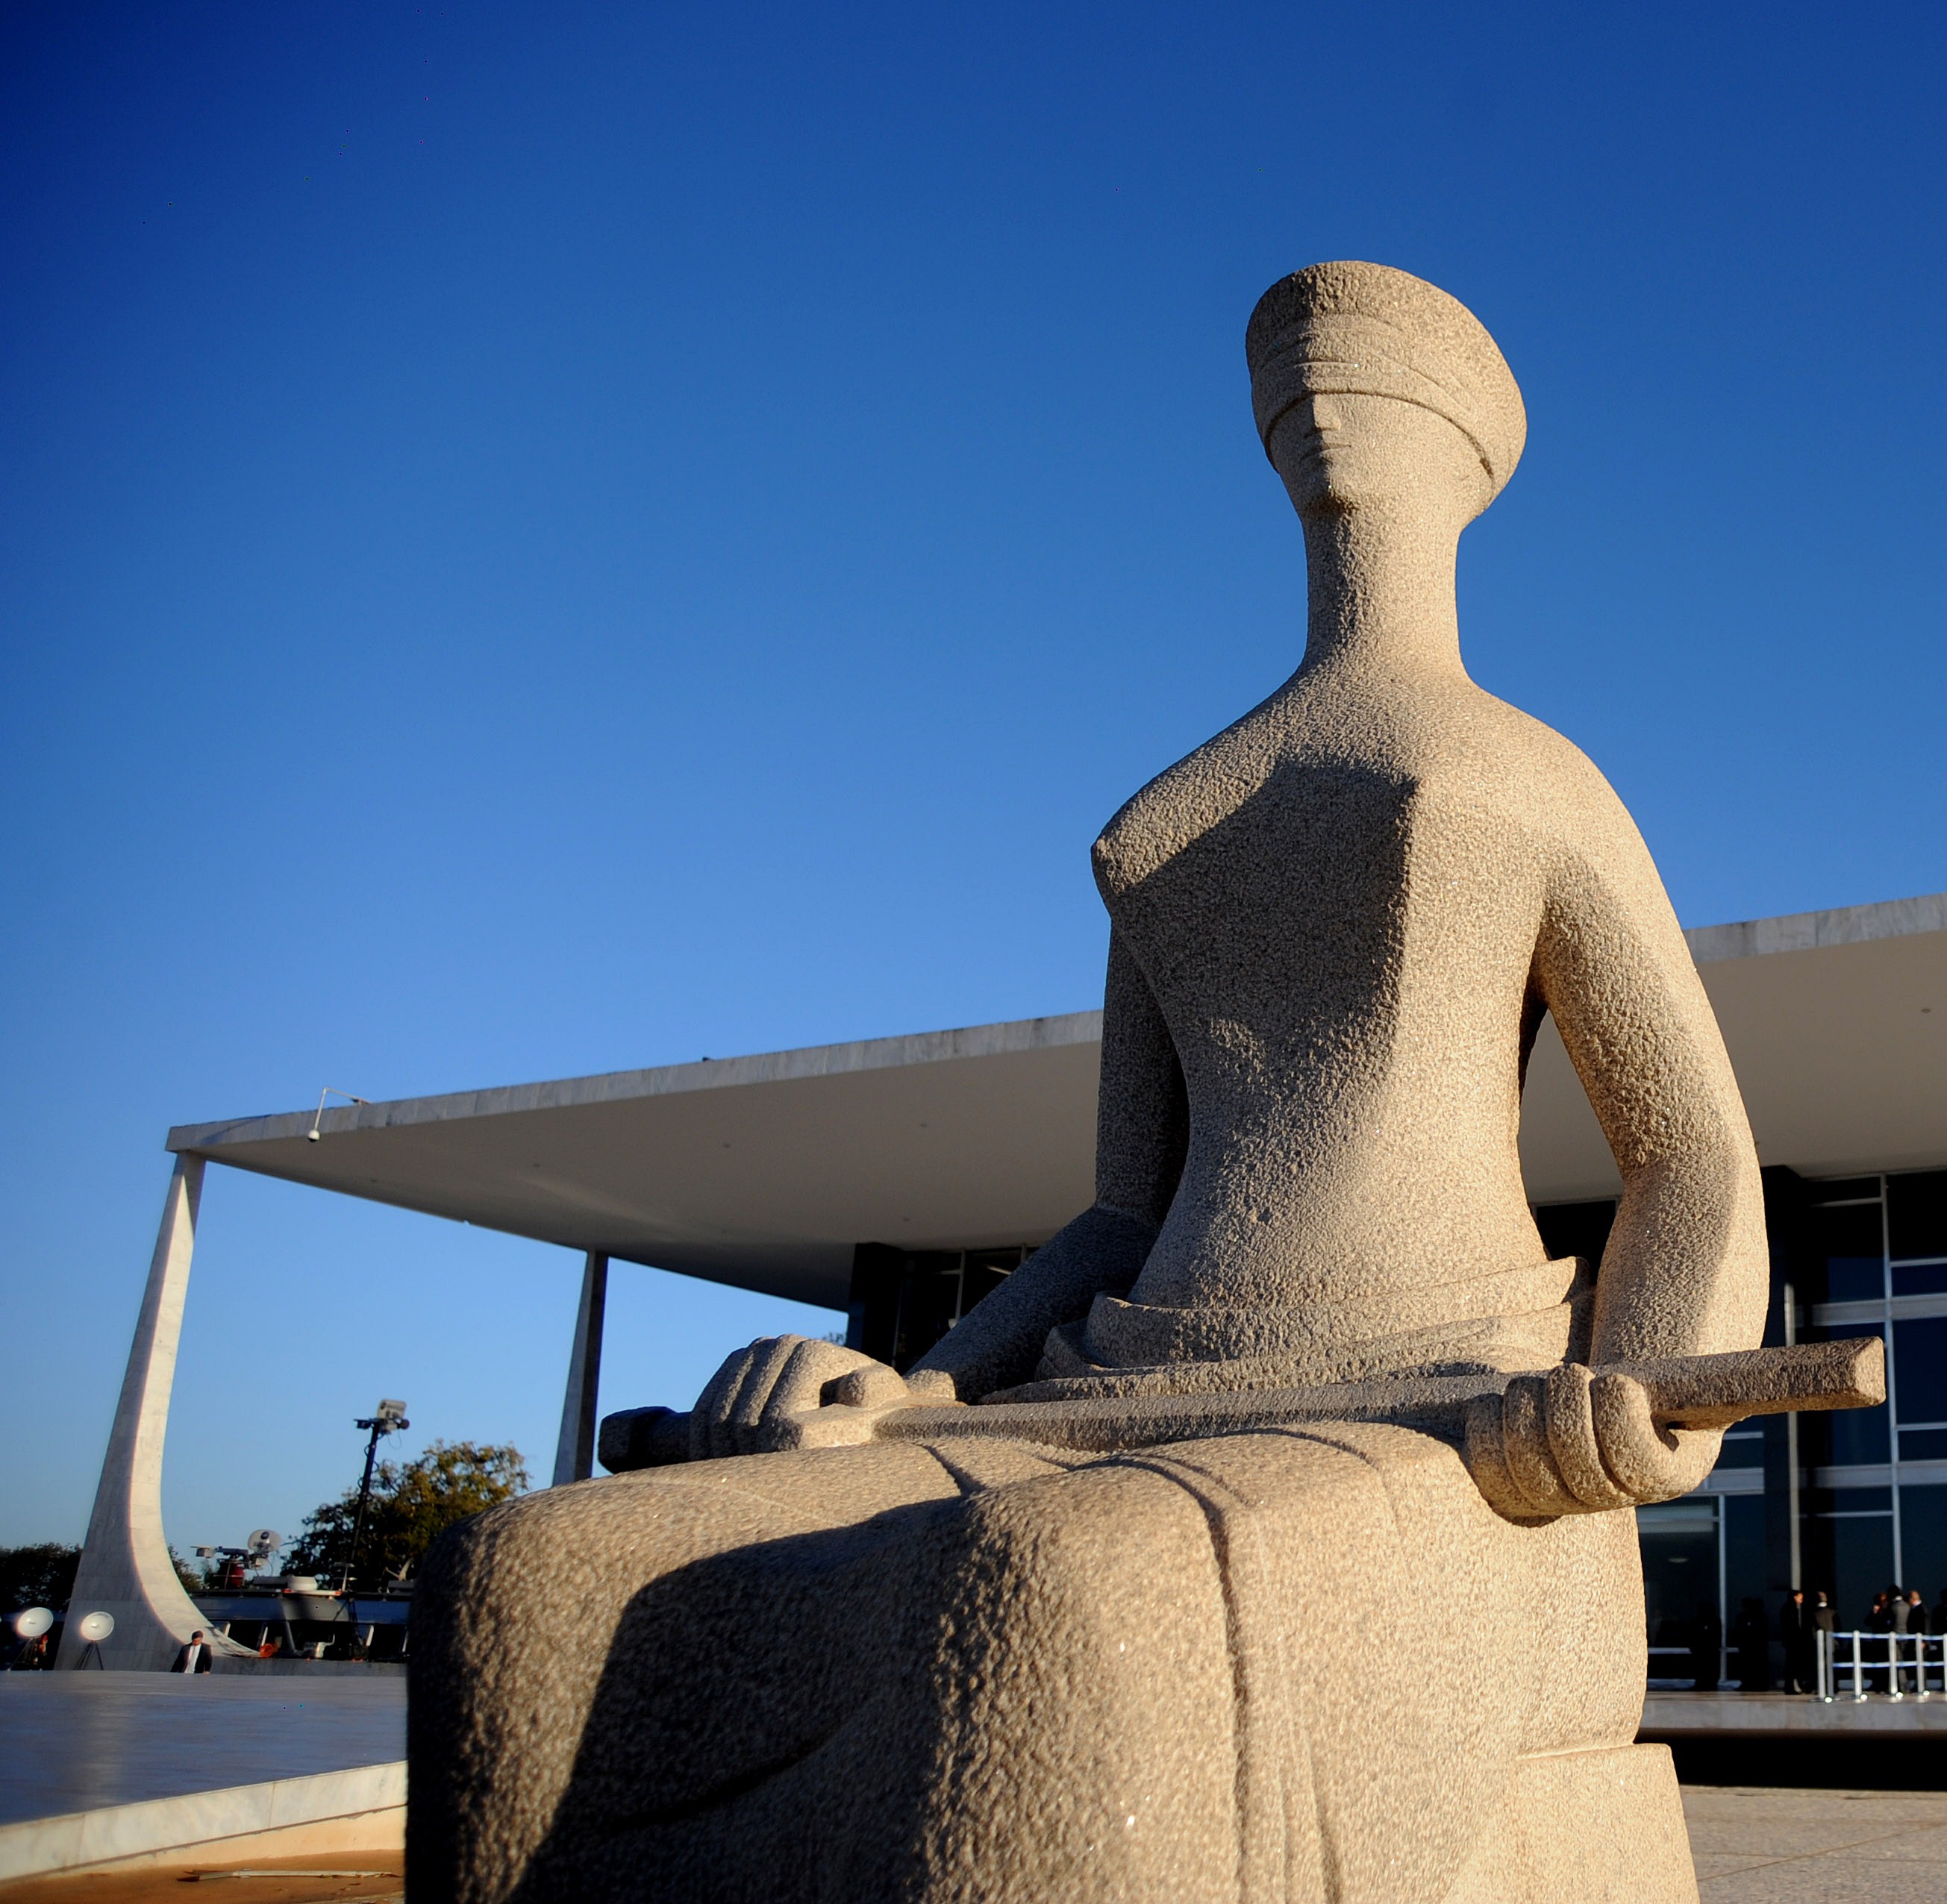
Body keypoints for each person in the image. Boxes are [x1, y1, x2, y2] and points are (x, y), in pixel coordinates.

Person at [415, 262, 1772, 1904]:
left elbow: (1693, 1155)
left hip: (1438, 1397)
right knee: (529, 1580)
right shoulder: (1169, 818)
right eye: (1294, 377)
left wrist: (1641, 1399)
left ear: (1473, 453)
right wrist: (921, 1388)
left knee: (1054, 1595)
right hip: (1105, 1385)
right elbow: (1126, 1211)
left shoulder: (1532, 777)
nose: (1324, 399)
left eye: (1372, 374)